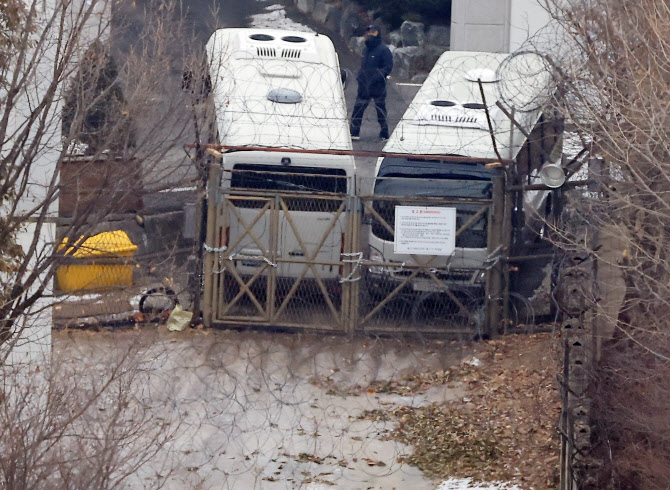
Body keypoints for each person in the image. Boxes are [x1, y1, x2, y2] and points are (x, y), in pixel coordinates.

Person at [350, 25, 393, 141]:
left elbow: (388, 67)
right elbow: (364, 66)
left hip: (377, 85)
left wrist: (376, 77)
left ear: (378, 33)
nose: (370, 34)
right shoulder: (366, 49)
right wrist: (360, 77)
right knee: (358, 109)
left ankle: (384, 134)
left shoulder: (384, 50)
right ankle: (354, 133)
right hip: (364, 85)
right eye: (369, 31)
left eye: (373, 31)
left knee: (380, 110)